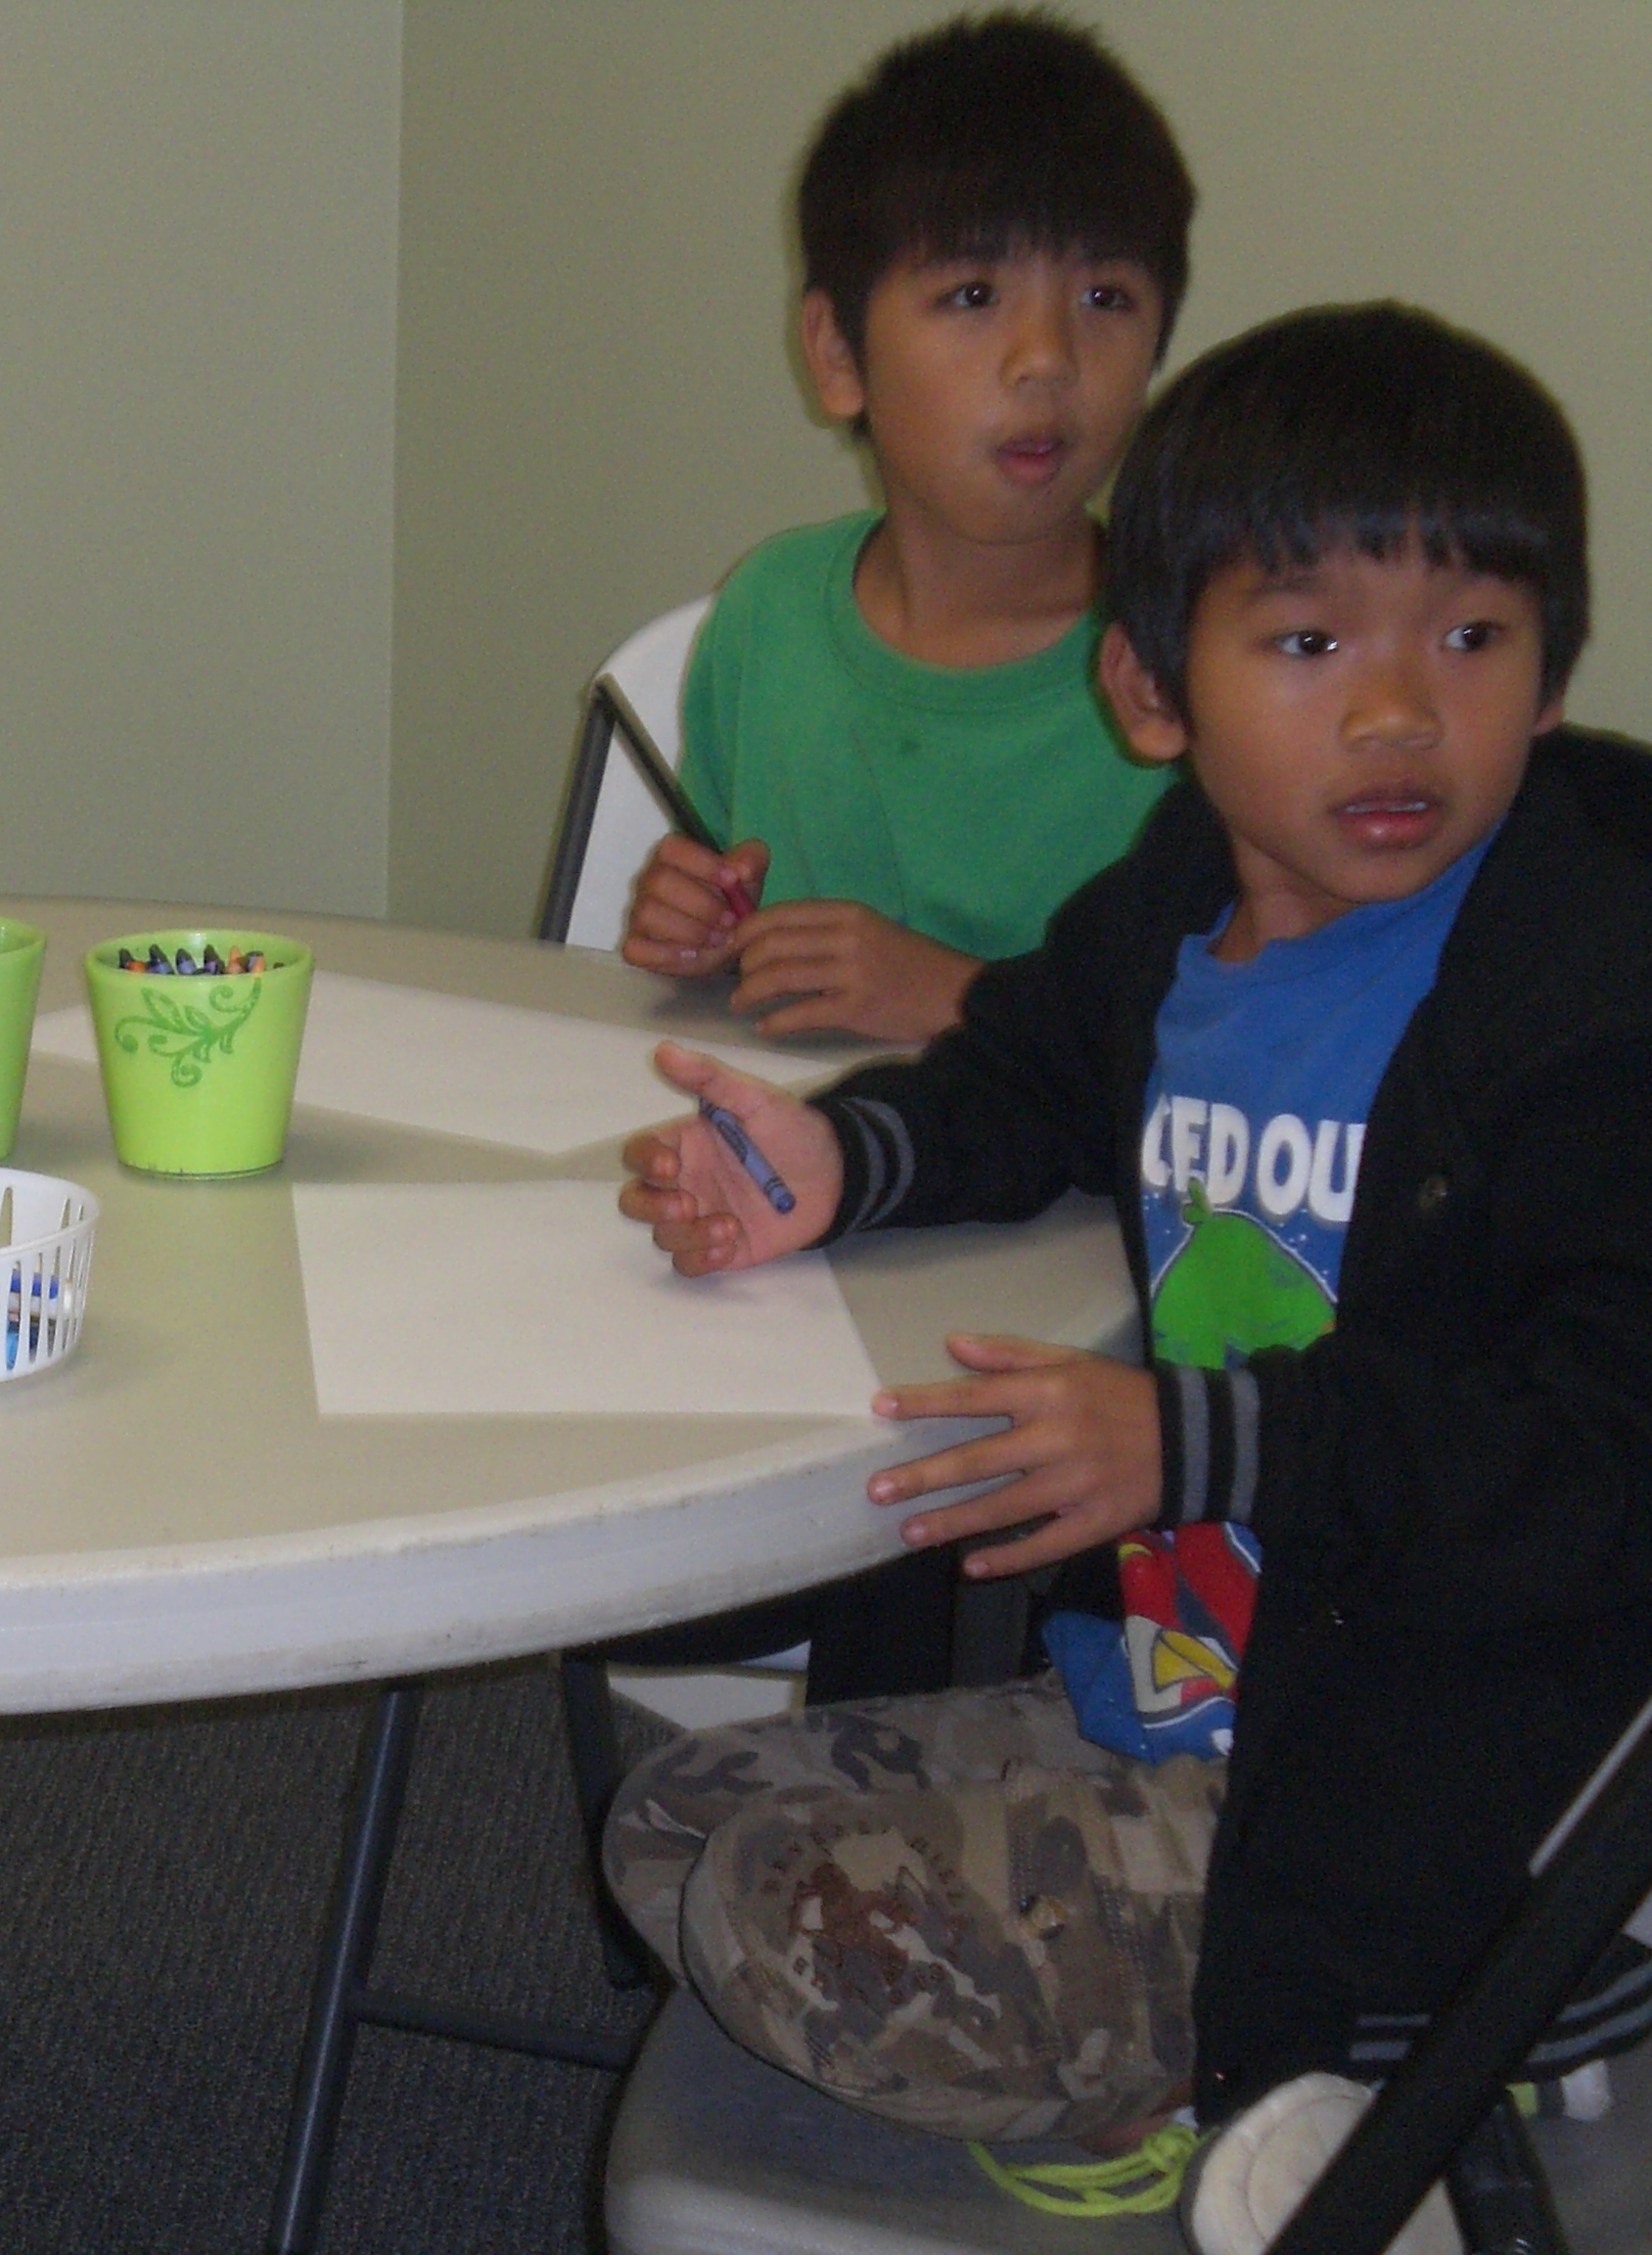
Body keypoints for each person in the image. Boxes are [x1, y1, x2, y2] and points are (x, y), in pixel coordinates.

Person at [603, 305, 1652, 2159]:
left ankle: (1435, 2028)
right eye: (1310, 642)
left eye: (1471, 638)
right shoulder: (1179, 894)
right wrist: (840, 1160)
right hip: (1179, 1695)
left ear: (1551, 676)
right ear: (1153, 692)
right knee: (670, 1822)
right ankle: (1204, 2059)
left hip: (1430, 1787)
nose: (1399, 710)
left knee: (784, 1923)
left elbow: (1595, 1450)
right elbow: (1020, 1071)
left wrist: (1197, 1440)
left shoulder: (1585, 985)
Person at [620, 12, 1189, 1043]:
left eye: (1106, 296)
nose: (1047, 357)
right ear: (838, 355)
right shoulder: (769, 614)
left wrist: (961, 999)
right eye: (973, 294)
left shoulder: (1196, 658)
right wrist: (707, 927)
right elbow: (742, 942)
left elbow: (1246, 1039)